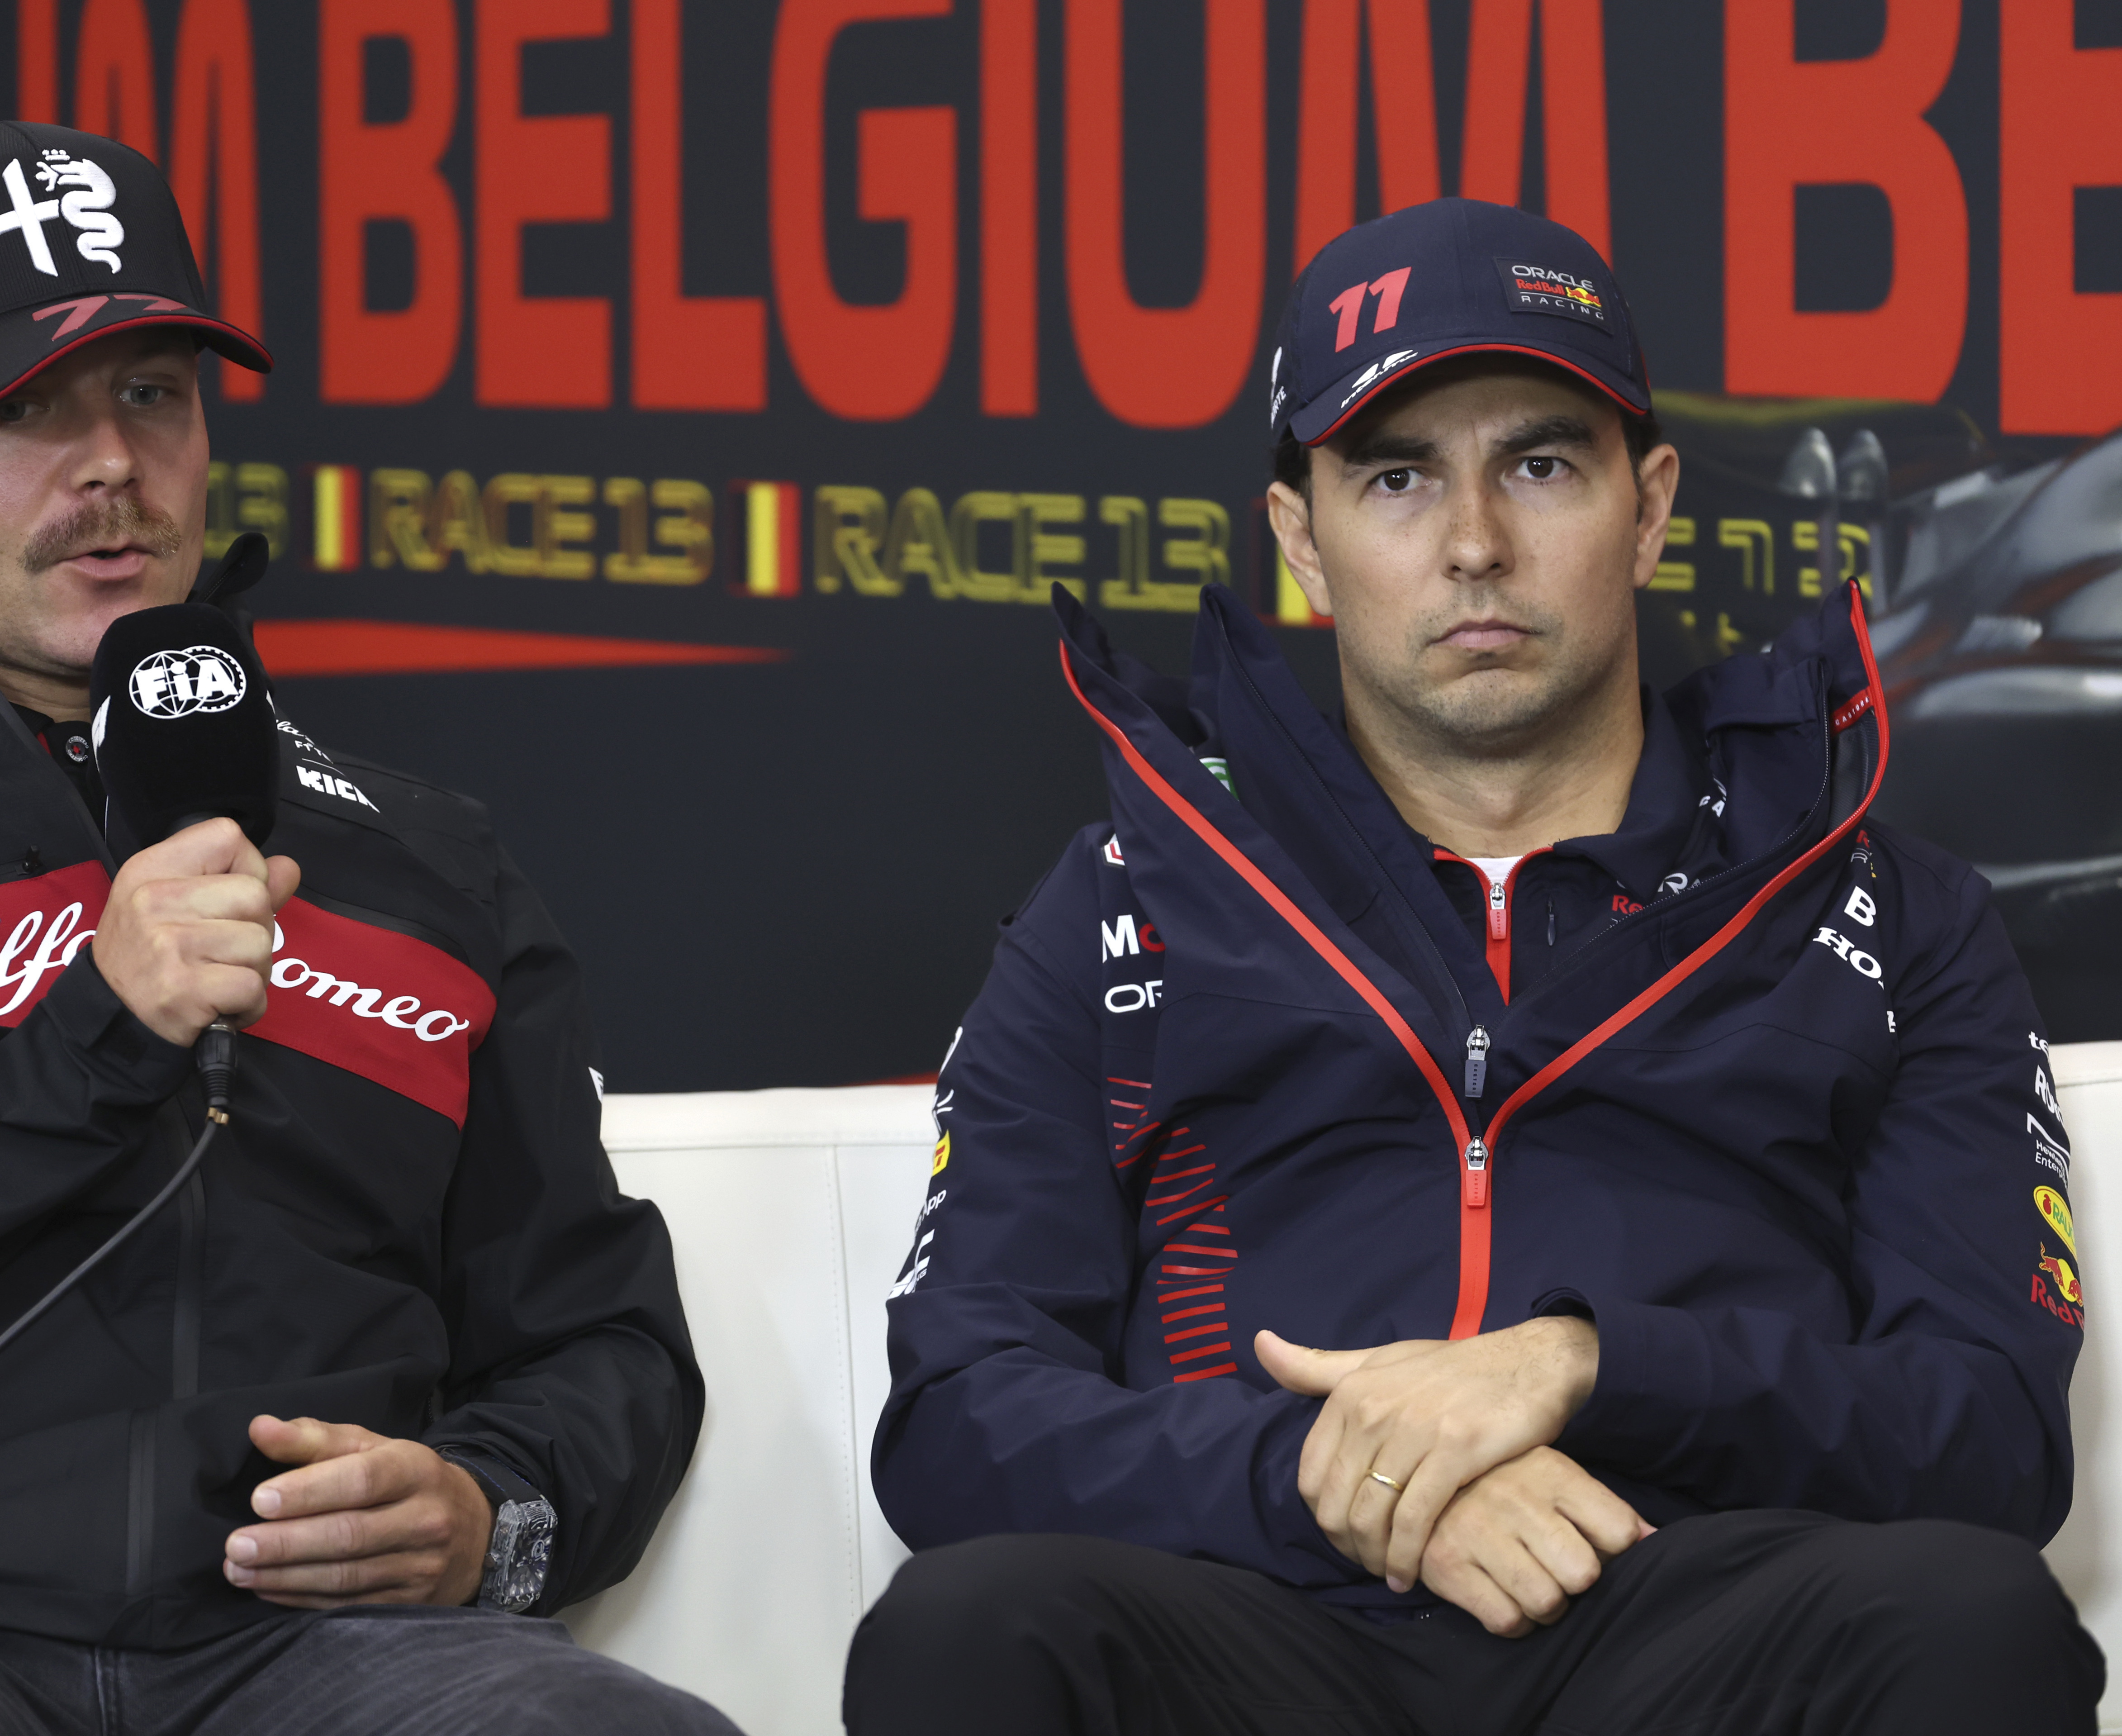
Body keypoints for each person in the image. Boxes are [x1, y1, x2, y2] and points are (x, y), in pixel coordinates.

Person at [0, 121, 732, 1736]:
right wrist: (88, 1033)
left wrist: (485, 1506)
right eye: (21, 408)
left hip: (305, 1661)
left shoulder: (418, 859)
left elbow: (602, 1340)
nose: (109, 464)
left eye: (151, 394)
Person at [849, 198, 2104, 1735]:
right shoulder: (1122, 900)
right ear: (1301, 538)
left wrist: (1583, 1367)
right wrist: (1357, 1482)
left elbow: (1986, 1435)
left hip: (1694, 1604)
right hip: (1263, 1607)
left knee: (1970, 1619)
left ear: (1646, 510)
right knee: (969, 1626)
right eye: (1395, 478)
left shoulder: (1893, 913)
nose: (1472, 546)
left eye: (1540, 463)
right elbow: (956, 1421)